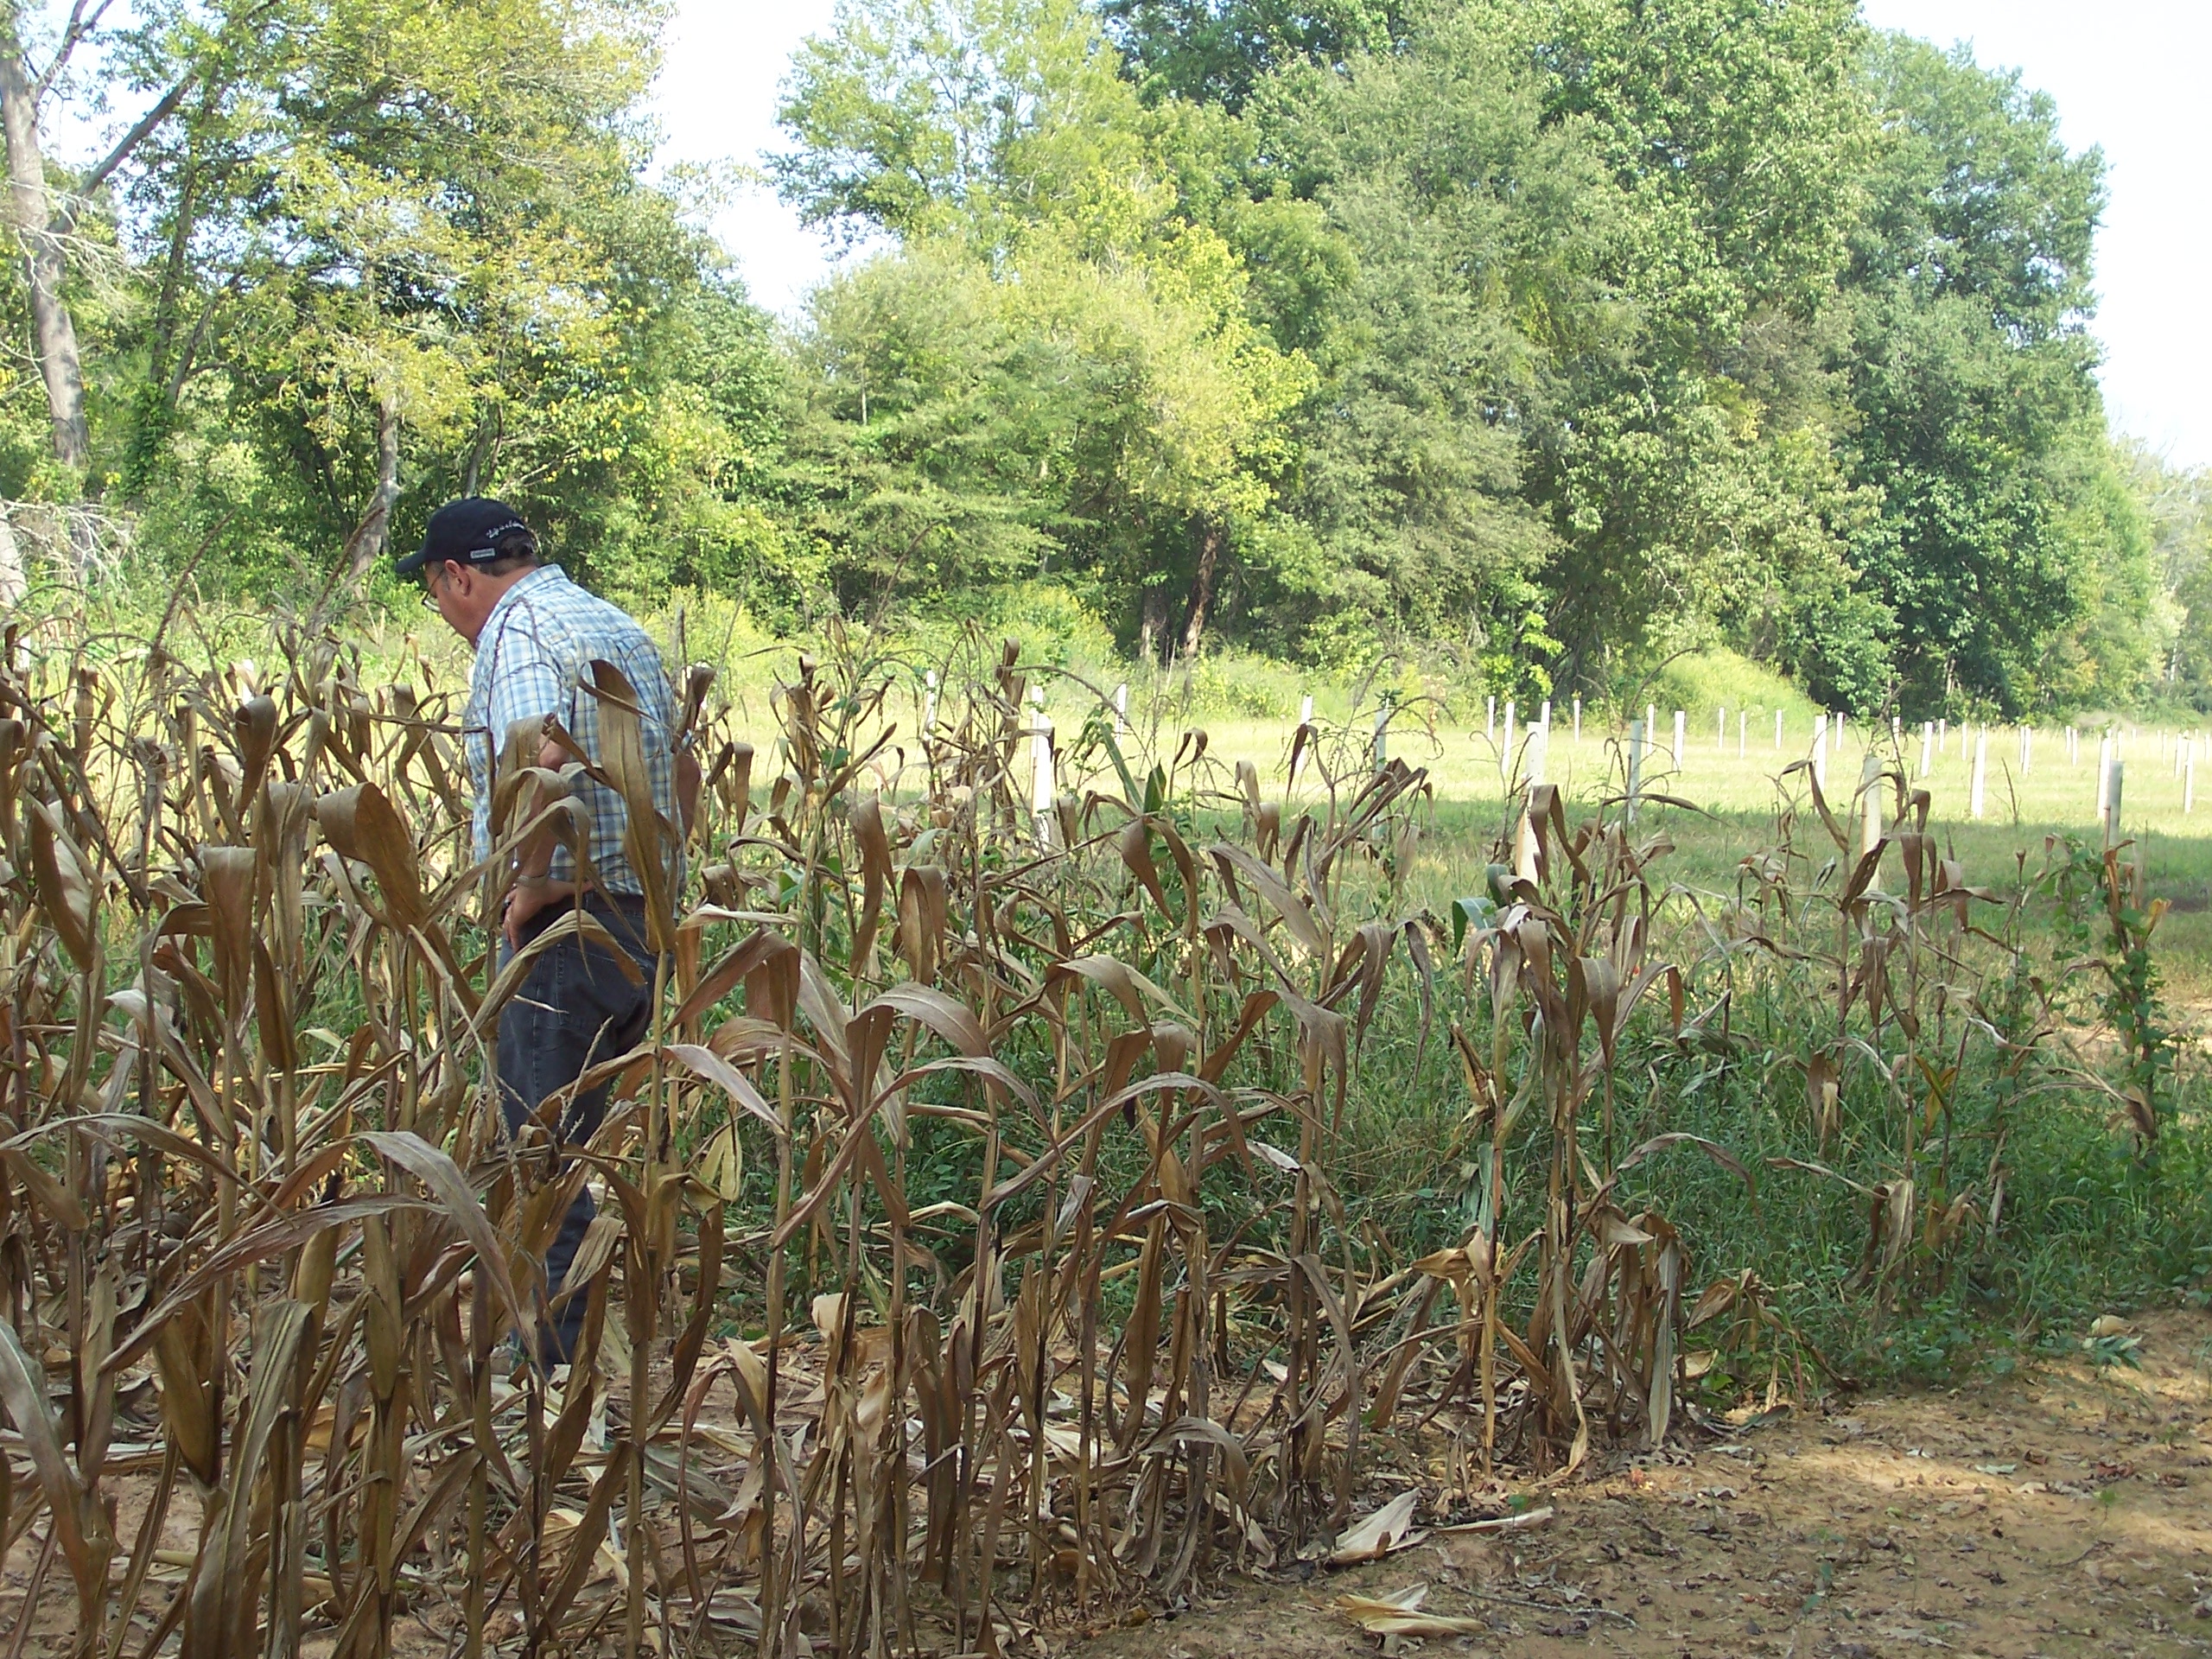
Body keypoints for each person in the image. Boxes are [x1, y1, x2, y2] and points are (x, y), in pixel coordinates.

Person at [398, 497, 693, 1367]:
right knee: (577, 1148)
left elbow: (538, 757)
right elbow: (677, 758)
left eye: (433, 591)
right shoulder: (610, 621)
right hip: (636, 918)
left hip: (567, 928)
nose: (443, 614)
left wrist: (529, 887)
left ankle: (549, 1371)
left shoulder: (518, 630)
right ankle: (580, 1346)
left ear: (458, 576)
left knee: (543, 1154)